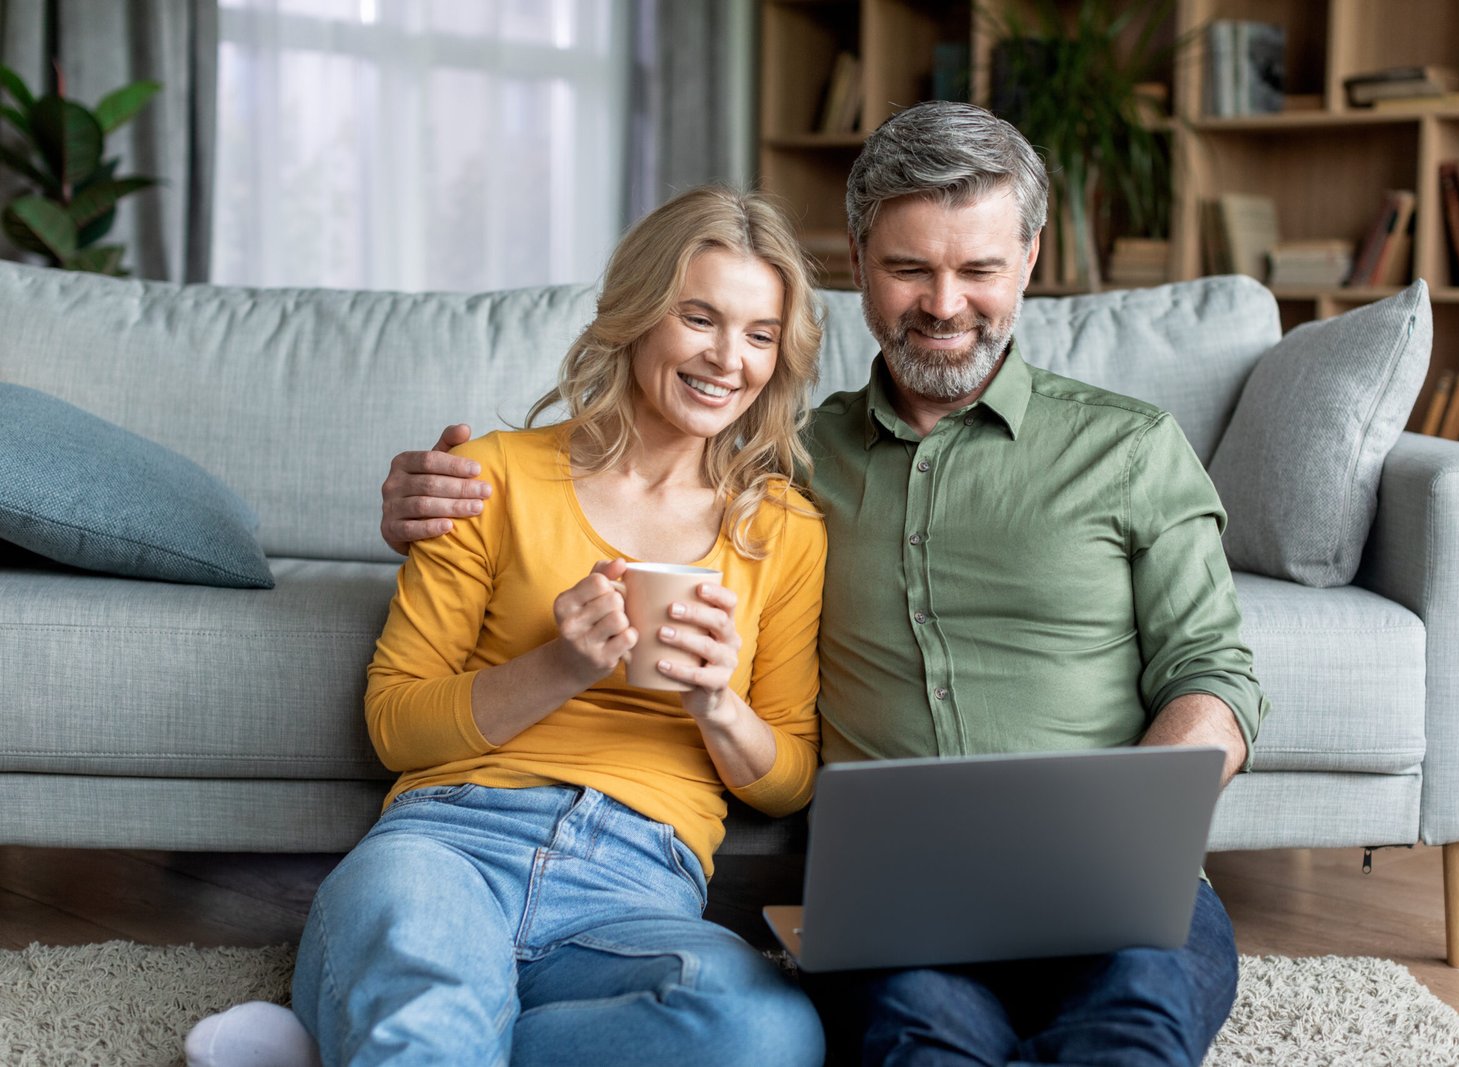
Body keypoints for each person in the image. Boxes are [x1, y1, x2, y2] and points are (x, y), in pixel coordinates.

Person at [380, 102, 1269, 1067]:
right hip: (907, 894)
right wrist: (423, 501)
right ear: (856, 261)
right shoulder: (786, 469)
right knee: (920, 1045)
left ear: (1029, 260)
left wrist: (1120, 840)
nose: (943, 302)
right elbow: (638, 473)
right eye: (909, 268)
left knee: (1130, 1036)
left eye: (977, 269)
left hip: (1114, 882)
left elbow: (1214, 675)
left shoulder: (1131, 448)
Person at [186, 184, 830, 1067]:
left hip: (638, 884)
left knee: (766, 1032)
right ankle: (404, 1025)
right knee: (430, 995)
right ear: (638, 314)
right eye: (699, 318)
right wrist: (563, 663)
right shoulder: (489, 477)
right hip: (447, 845)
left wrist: (718, 701)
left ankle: (356, 1037)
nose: (729, 359)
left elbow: (790, 776)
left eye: (760, 335)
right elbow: (394, 724)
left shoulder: (785, 531)